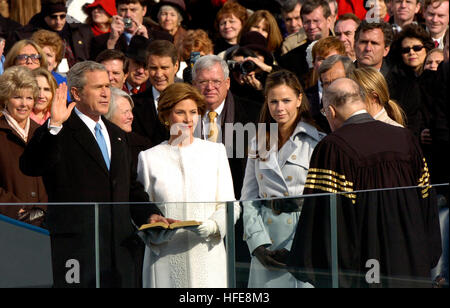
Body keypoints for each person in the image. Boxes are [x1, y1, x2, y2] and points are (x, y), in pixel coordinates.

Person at [19, 60, 165, 288]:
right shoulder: (59, 131)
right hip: (77, 250)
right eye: (98, 88)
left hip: (119, 250)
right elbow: (31, 165)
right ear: (76, 93)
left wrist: (149, 215)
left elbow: (129, 187)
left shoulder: (117, 134)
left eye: (107, 86)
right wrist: (54, 125)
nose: (106, 93)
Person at [287, 77, 442, 287]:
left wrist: (308, 265)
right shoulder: (405, 138)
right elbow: (427, 203)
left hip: (367, 271)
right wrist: (425, 257)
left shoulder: (333, 147)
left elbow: (325, 217)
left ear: (331, 111)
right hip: (412, 266)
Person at [136, 82, 241, 288]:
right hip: (164, 258)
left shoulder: (215, 153)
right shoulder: (148, 158)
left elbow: (231, 205)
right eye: (180, 112)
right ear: (166, 116)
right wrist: (155, 228)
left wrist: (214, 225)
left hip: (208, 256)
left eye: (193, 112)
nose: (187, 119)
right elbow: (142, 211)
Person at [241, 69, 324, 288]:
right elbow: (248, 197)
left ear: (299, 99)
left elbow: (322, 202)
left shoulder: (317, 143)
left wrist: (302, 245)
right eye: (273, 101)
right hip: (266, 239)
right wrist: (257, 244)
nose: (279, 108)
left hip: (301, 240)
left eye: (286, 100)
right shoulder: (258, 142)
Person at [0, 66, 47, 226]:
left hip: (44, 224)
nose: (24, 104)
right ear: (6, 98)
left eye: (29, 98)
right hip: (7, 223)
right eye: (17, 97)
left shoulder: (43, 132)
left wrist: (43, 209)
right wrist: (16, 210)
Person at [7, 0, 93, 70]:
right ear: (44, 16)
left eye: (62, 16)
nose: (58, 21)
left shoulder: (80, 32)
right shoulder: (24, 36)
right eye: (53, 17)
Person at [132, 39, 179, 146]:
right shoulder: (134, 104)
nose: (158, 74)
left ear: (175, 66)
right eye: (153, 68)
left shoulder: (190, 100)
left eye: (164, 68)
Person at [90, 0, 173, 60]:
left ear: (144, 10)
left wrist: (146, 42)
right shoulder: (100, 41)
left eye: (133, 10)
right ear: (117, 11)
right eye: (123, 10)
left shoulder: (164, 38)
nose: (128, 15)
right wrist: (112, 42)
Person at [279, 0, 333, 86]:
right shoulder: (289, 60)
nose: (311, 26)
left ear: (329, 21)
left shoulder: (345, 51)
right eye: (307, 22)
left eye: (316, 21)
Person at [305, 38, 347, 133]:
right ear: (314, 64)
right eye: (321, 59)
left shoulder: (355, 91)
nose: (326, 64)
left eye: (331, 59)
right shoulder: (305, 97)